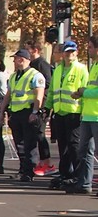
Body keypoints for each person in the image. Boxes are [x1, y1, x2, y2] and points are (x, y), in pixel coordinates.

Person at [45, 39, 88, 191]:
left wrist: (83, 111)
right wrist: (47, 107)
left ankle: (78, 175)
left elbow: (84, 90)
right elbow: (52, 92)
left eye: (72, 52)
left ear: (76, 53)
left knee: (74, 145)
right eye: (67, 52)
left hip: (74, 112)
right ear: (63, 54)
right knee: (62, 145)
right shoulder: (57, 70)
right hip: (60, 112)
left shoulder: (81, 69)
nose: (69, 54)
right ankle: (65, 174)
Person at [2, 48, 46, 183]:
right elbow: (8, 95)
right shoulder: (14, 76)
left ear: (21, 59)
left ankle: (29, 172)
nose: (14, 61)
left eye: (15, 59)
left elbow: (39, 94)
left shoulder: (35, 75)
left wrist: (35, 112)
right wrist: (2, 111)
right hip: (15, 113)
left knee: (29, 144)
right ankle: (22, 170)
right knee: (19, 144)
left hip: (28, 113)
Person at [71, 32, 98, 196]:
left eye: (90, 47)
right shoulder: (94, 65)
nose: (87, 50)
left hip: (96, 115)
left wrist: (84, 92)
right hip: (88, 115)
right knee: (84, 151)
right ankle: (85, 183)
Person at [27, 42, 55, 174]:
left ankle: (47, 163)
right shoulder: (31, 65)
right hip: (32, 103)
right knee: (33, 134)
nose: (27, 52)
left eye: (28, 49)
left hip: (41, 103)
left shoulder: (42, 64)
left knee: (40, 133)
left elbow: (48, 82)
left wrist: (41, 97)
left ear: (35, 50)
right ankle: (39, 162)